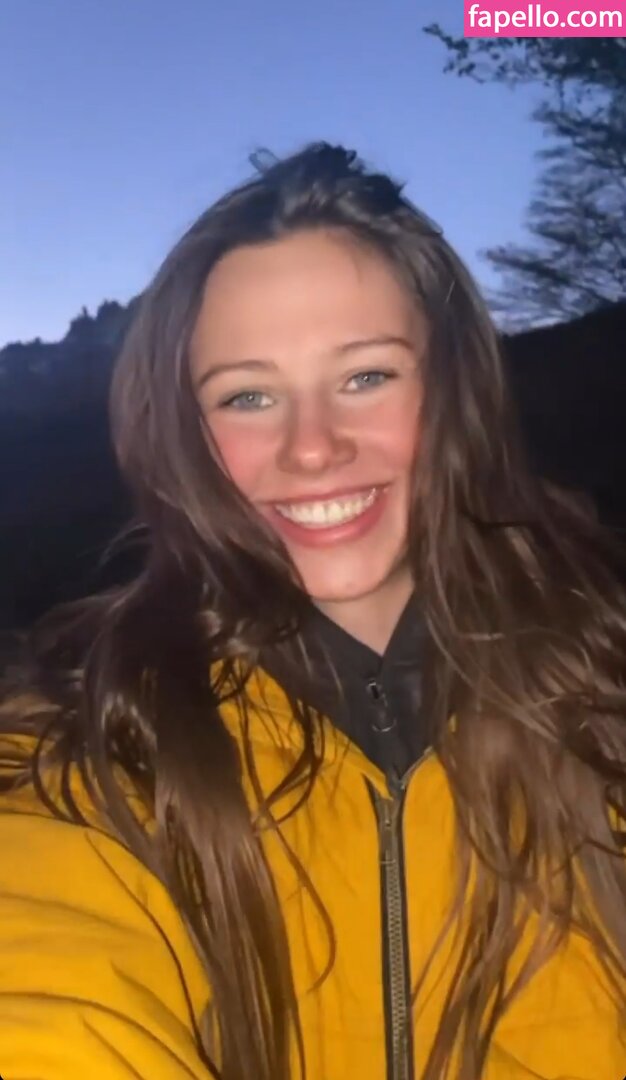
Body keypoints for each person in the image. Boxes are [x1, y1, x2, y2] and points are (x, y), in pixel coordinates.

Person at [0, 143, 625, 1080]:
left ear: (453, 392)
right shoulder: (90, 741)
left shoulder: (603, 700)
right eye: (248, 395)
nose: (313, 448)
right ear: (187, 437)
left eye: (366, 376)